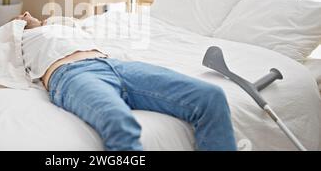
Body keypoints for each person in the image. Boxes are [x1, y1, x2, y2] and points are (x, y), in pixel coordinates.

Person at [14, 12, 237, 151]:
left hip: (114, 64)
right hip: (71, 74)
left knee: (211, 96)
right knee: (119, 121)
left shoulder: (61, 26)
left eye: (27, 13)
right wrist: (18, 27)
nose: (24, 14)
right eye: (19, 17)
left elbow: (76, 23)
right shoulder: (19, 39)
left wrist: (49, 22)